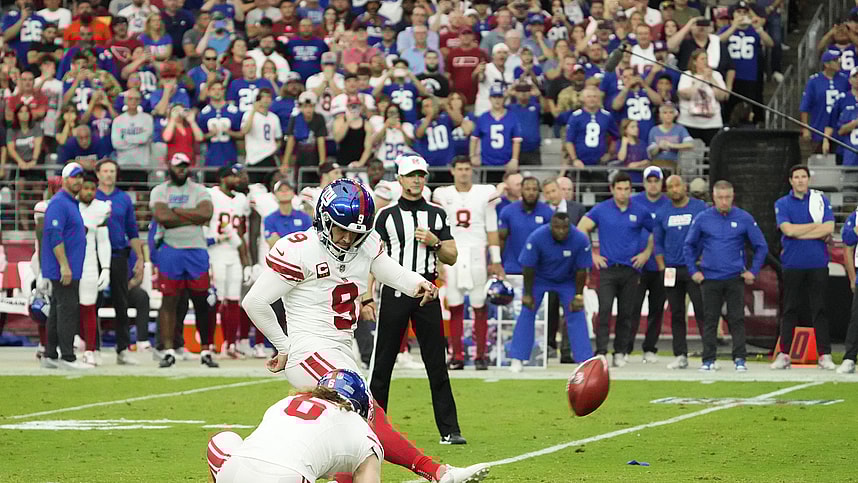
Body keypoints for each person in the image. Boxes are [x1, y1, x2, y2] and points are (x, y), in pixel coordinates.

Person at [241, 179, 489, 483]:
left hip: (340, 349)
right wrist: (284, 346)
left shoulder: (366, 243)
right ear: (323, 220)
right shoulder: (300, 249)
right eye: (341, 229)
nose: (347, 239)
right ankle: (436, 472)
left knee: (353, 430)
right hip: (309, 350)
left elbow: (388, 270)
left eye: (355, 232)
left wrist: (416, 284)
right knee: (367, 412)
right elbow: (255, 302)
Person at [369, 154, 466, 445]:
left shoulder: (437, 213)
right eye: (411, 175)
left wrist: (434, 242)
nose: (417, 180)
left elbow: (452, 255)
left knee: (436, 362)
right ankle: (371, 427)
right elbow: (370, 257)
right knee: (383, 364)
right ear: (399, 179)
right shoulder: (385, 215)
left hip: (428, 294)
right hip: (395, 293)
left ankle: (450, 430)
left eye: (421, 175)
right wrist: (365, 296)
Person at [208, 369, 383, 482]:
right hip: (288, 477)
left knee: (225, 439)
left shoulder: (287, 401)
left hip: (234, 472)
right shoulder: (363, 434)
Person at [683, 180, 768, 372]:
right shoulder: (703, 218)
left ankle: (740, 359)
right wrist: (693, 270)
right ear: (713, 197)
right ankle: (708, 360)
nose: (724, 201)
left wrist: (753, 271)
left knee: (737, 319)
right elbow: (688, 245)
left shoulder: (744, 218)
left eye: (727, 197)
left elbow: (761, 246)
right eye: (720, 197)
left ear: (733, 196)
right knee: (710, 319)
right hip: (710, 277)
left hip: (734, 277)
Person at [577, 172, 654, 367]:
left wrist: (646, 253)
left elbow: (655, 232)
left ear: (631, 190)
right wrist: (591, 255)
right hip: (608, 269)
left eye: (627, 189)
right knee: (604, 310)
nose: (623, 193)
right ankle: (601, 350)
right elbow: (581, 228)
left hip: (631, 269)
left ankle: (620, 351)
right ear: (612, 189)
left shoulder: (640, 211)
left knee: (626, 313)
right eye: (619, 189)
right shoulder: (602, 209)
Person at [432, 157, 502, 370]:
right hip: (453, 252)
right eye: (460, 169)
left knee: (480, 305)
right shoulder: (443, 194)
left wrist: (496, 259)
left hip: (477, 252)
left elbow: (491, 227)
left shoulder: (484, 193)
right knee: (455, 305)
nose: (463, 173)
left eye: (467, 169)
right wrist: (438, 260)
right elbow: (437, 228)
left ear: (472, 171)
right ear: (452, 171)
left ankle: (481, 355)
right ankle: (457, 356)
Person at [149, 154, 217, 368]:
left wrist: (176, 212)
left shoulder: (199, 189)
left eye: (184, 166)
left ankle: (206, 350)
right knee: (169, 301)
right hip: (171, 249)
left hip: (196, 250)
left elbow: (206, 213)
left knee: (202, 302)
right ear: (169, 166)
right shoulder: (160, 190)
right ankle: (168, 350)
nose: (181, 170)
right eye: (178, 166)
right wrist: (191, 215)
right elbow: (162, 217)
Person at [508, 211, 592, 372]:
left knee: (577, 311)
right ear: (550, 226)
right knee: (527, 310)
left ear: (570, 227)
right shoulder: (537, 237)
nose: (561, 231)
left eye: (564, 228)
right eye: (557, 227)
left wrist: (578, 295)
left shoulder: (580, 239)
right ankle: (517, 358)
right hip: (539, 278)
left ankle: (584, 360)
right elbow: (528, 267)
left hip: (567, 279)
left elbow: (582, 270)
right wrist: (527, 294)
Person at [771, 166, 836, 370]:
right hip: (792, 264)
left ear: (809, 179)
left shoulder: (819, 200)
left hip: (818, 263)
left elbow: (829, 228)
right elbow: (787, 230)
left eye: (803, 177)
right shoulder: (782, 203)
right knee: (790, 308)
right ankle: (784, 354)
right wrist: (814, 228)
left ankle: (824, 354)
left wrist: (800, 231)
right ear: (791, 181)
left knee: (820, 309)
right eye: (796, 177)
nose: (800, 180)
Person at [653, 175, 707, 370]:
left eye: (677, 185)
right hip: (671, 269)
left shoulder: (699, 208)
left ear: (685, 187)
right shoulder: (662, 212)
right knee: (676, 312)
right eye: (670, 187)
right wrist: (661, 266)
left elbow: (707, 234)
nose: (674, 189)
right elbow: (658, 242)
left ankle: (709, 354)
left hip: (694, 268)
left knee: (702, 311)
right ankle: (680, 354)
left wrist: (703, 260)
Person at [95, 159, 145, 365]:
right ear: (98, 174)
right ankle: (92, 347)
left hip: (117, 255)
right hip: (94, 257)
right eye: (105, 171)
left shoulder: (123, 199)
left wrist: (140, 257)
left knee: (121, 303)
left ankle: (122, 349)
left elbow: (132, 230)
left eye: (112, 171)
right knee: (92, 302)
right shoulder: (91, 196)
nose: (109, 175)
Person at [41, 163, 90, 370]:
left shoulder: (70, 202)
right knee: (68, 310)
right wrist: (64, 266)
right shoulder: (60, 203)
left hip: (68, 266)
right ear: (65, 179)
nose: (78, 181)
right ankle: (67, 356)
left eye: (80, 177)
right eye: (74, 177)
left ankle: (51, 354)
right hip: (63, 268)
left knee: (57, 310)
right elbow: (54, 234)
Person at [207, 166, 252, 359]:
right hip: (215, 251)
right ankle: (208, 343)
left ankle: (230, 344)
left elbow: (241, 231)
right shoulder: (211, 195)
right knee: (216, 299)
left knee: (234, 299)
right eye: (233, 176)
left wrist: (246, 261)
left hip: (233, 251)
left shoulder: (241, 200)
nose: (237, 179)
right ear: (223, 178)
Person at [626, 167, 669, 362]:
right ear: (644, 183)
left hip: (661, 264)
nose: (653, 184)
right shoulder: (633, 202)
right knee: (632, 308)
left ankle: (650, 348)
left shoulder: (668, 204)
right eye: (649, 181)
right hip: (636, 264)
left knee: (657, 309)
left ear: (661, 183)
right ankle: (625, 348)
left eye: (656, 181)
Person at [76, 172, 112, 367]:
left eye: (92, 189)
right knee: (65, 307)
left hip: (89, 263)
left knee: (89, 307)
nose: (88, 192)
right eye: (85, 188)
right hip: (68, 262)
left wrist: (105, 267)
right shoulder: (69, 205)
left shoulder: (101, 208)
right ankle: (57, 346)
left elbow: (103, 241)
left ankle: (90, 349)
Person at [498, 177, 554, 278]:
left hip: (539, 272)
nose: (531, 193)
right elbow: (501, 240)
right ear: (521, 190)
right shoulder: (508, 211)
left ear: (539, 192)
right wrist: (496, 263)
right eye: (527, 189)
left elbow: (552, 243)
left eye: (534, 189)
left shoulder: (548, 212)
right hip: (512, 270)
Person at [470, 84, 522, 183]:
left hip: (506, 164)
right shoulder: (483, 118)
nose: (497, 100)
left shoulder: (512, 117)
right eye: (494, 97)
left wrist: (514, 159)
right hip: (487, 164)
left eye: (500, 97)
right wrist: (472, 156)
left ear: (504, 98)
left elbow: (516, 140)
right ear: (490, 98)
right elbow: (474, 138)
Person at [800, 50, 849, 153]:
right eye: (835, 60)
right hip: (819, 128)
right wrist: (805, 127)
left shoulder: (845, 81)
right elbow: (805, 106)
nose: (839, 62)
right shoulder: (814, 81)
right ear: (826, 64)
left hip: (841, 130)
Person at [677, 49, 728, 145]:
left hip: (712, 123)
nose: (705, 61)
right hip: (689, 122)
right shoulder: (687, 75)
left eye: (707, 59)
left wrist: (711, 79)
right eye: (702, 59)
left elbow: (722, 96)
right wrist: (701, 79)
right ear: (695, 61)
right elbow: (686, 94)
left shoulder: (716, 75)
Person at [110, 89, 154, 185]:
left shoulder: (147, 119)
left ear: (140, 101)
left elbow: (145, 139)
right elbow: (116, 144)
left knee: (141, 195)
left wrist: (125, 139)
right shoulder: (118, 120)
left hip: (142, 165)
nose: (133, 101)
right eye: (130, 99)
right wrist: (137, 142)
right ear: (125, 101)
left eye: (136, 99)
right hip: (123, 165)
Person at [240, 88, 283, 184]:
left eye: (268, 97)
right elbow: (244, 130)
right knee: (255, 187)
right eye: (263, 97)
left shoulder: (274, 117)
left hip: (269, 156)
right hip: (254, 158)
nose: (266, 99)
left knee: (273, 186)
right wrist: (253, 111)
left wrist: (274, 148)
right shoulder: (248, 114)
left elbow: (278, 138)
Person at [838, 208, 858, 374]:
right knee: (856, 318)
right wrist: (852, 278)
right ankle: (850, 357)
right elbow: (848, 241)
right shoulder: (855, 216)